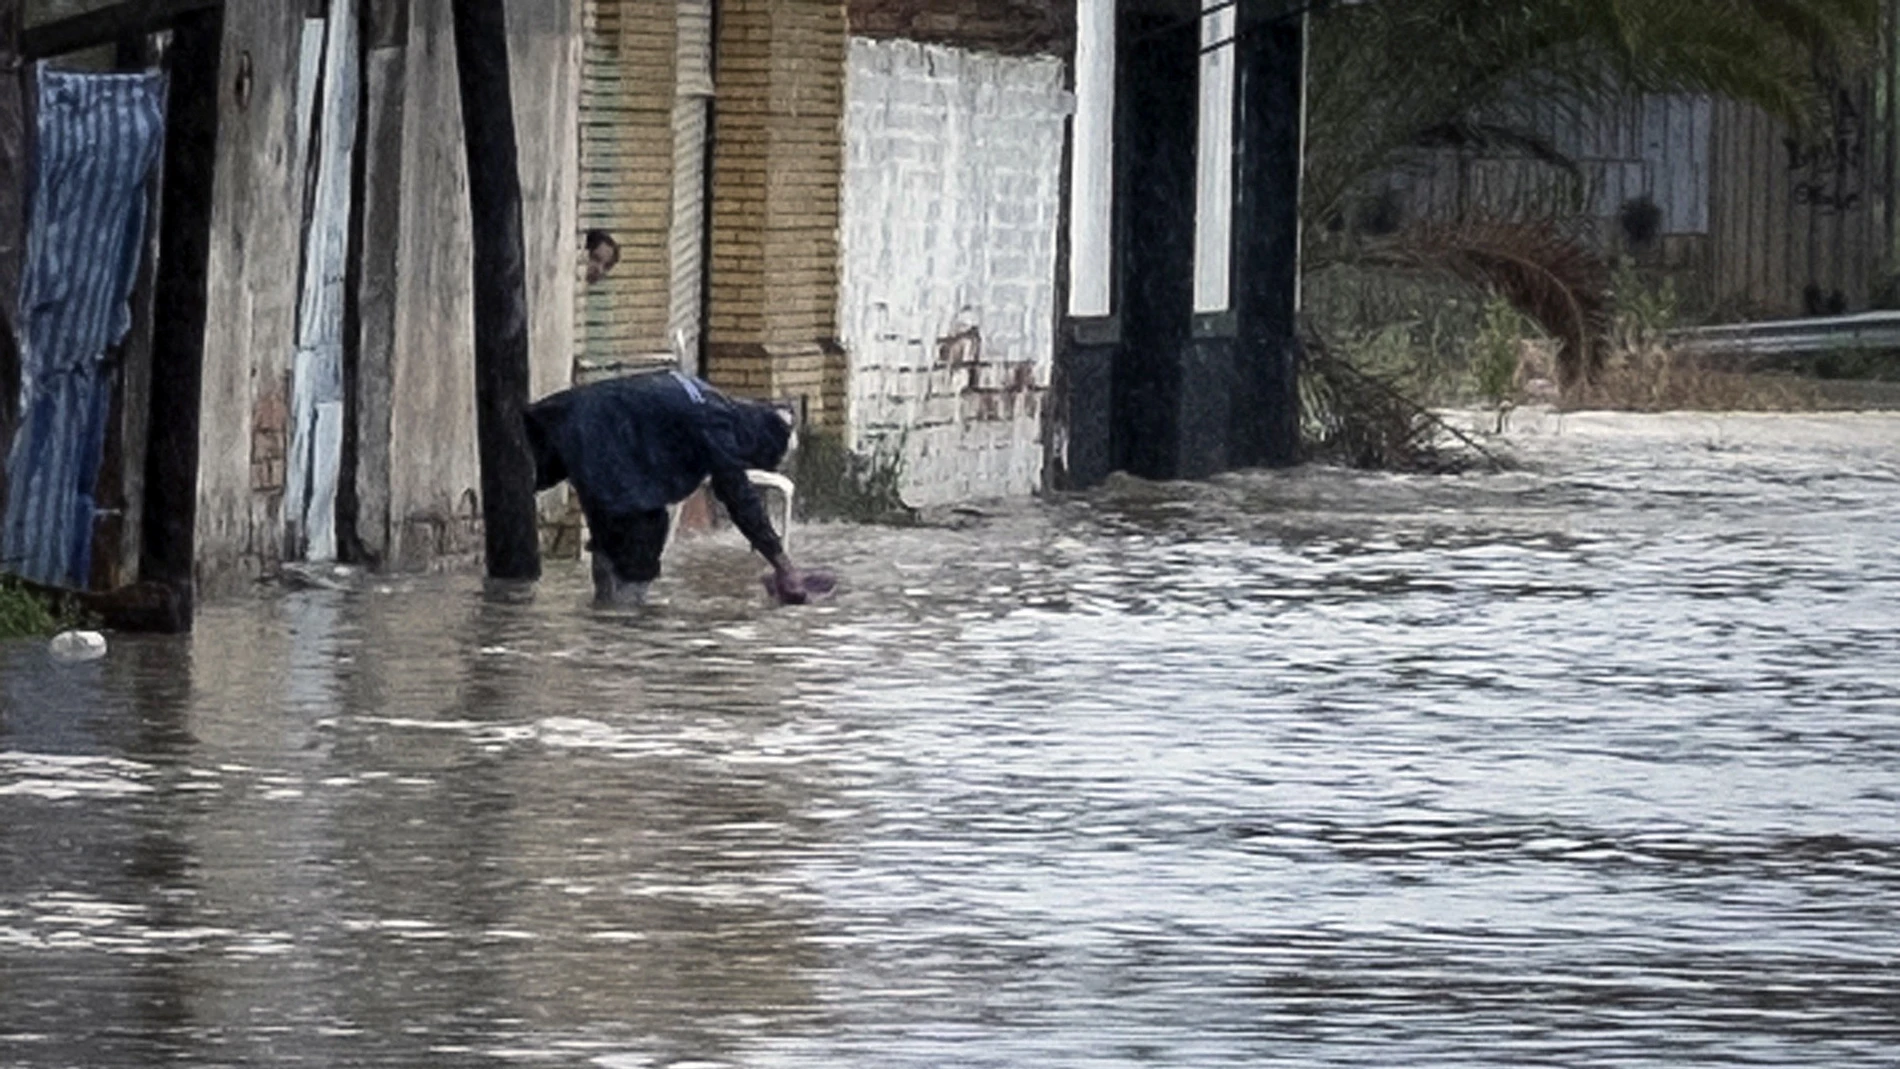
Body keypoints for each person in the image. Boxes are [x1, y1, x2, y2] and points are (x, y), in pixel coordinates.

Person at [524, 369, 807, 606]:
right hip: (589, 436)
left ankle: (604, 621)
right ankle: (619, 632)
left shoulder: (710, 400)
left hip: (564, 417)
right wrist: (783, 564)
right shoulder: (716, 424)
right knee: (641, 539)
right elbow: (738, 495)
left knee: (624, 532)